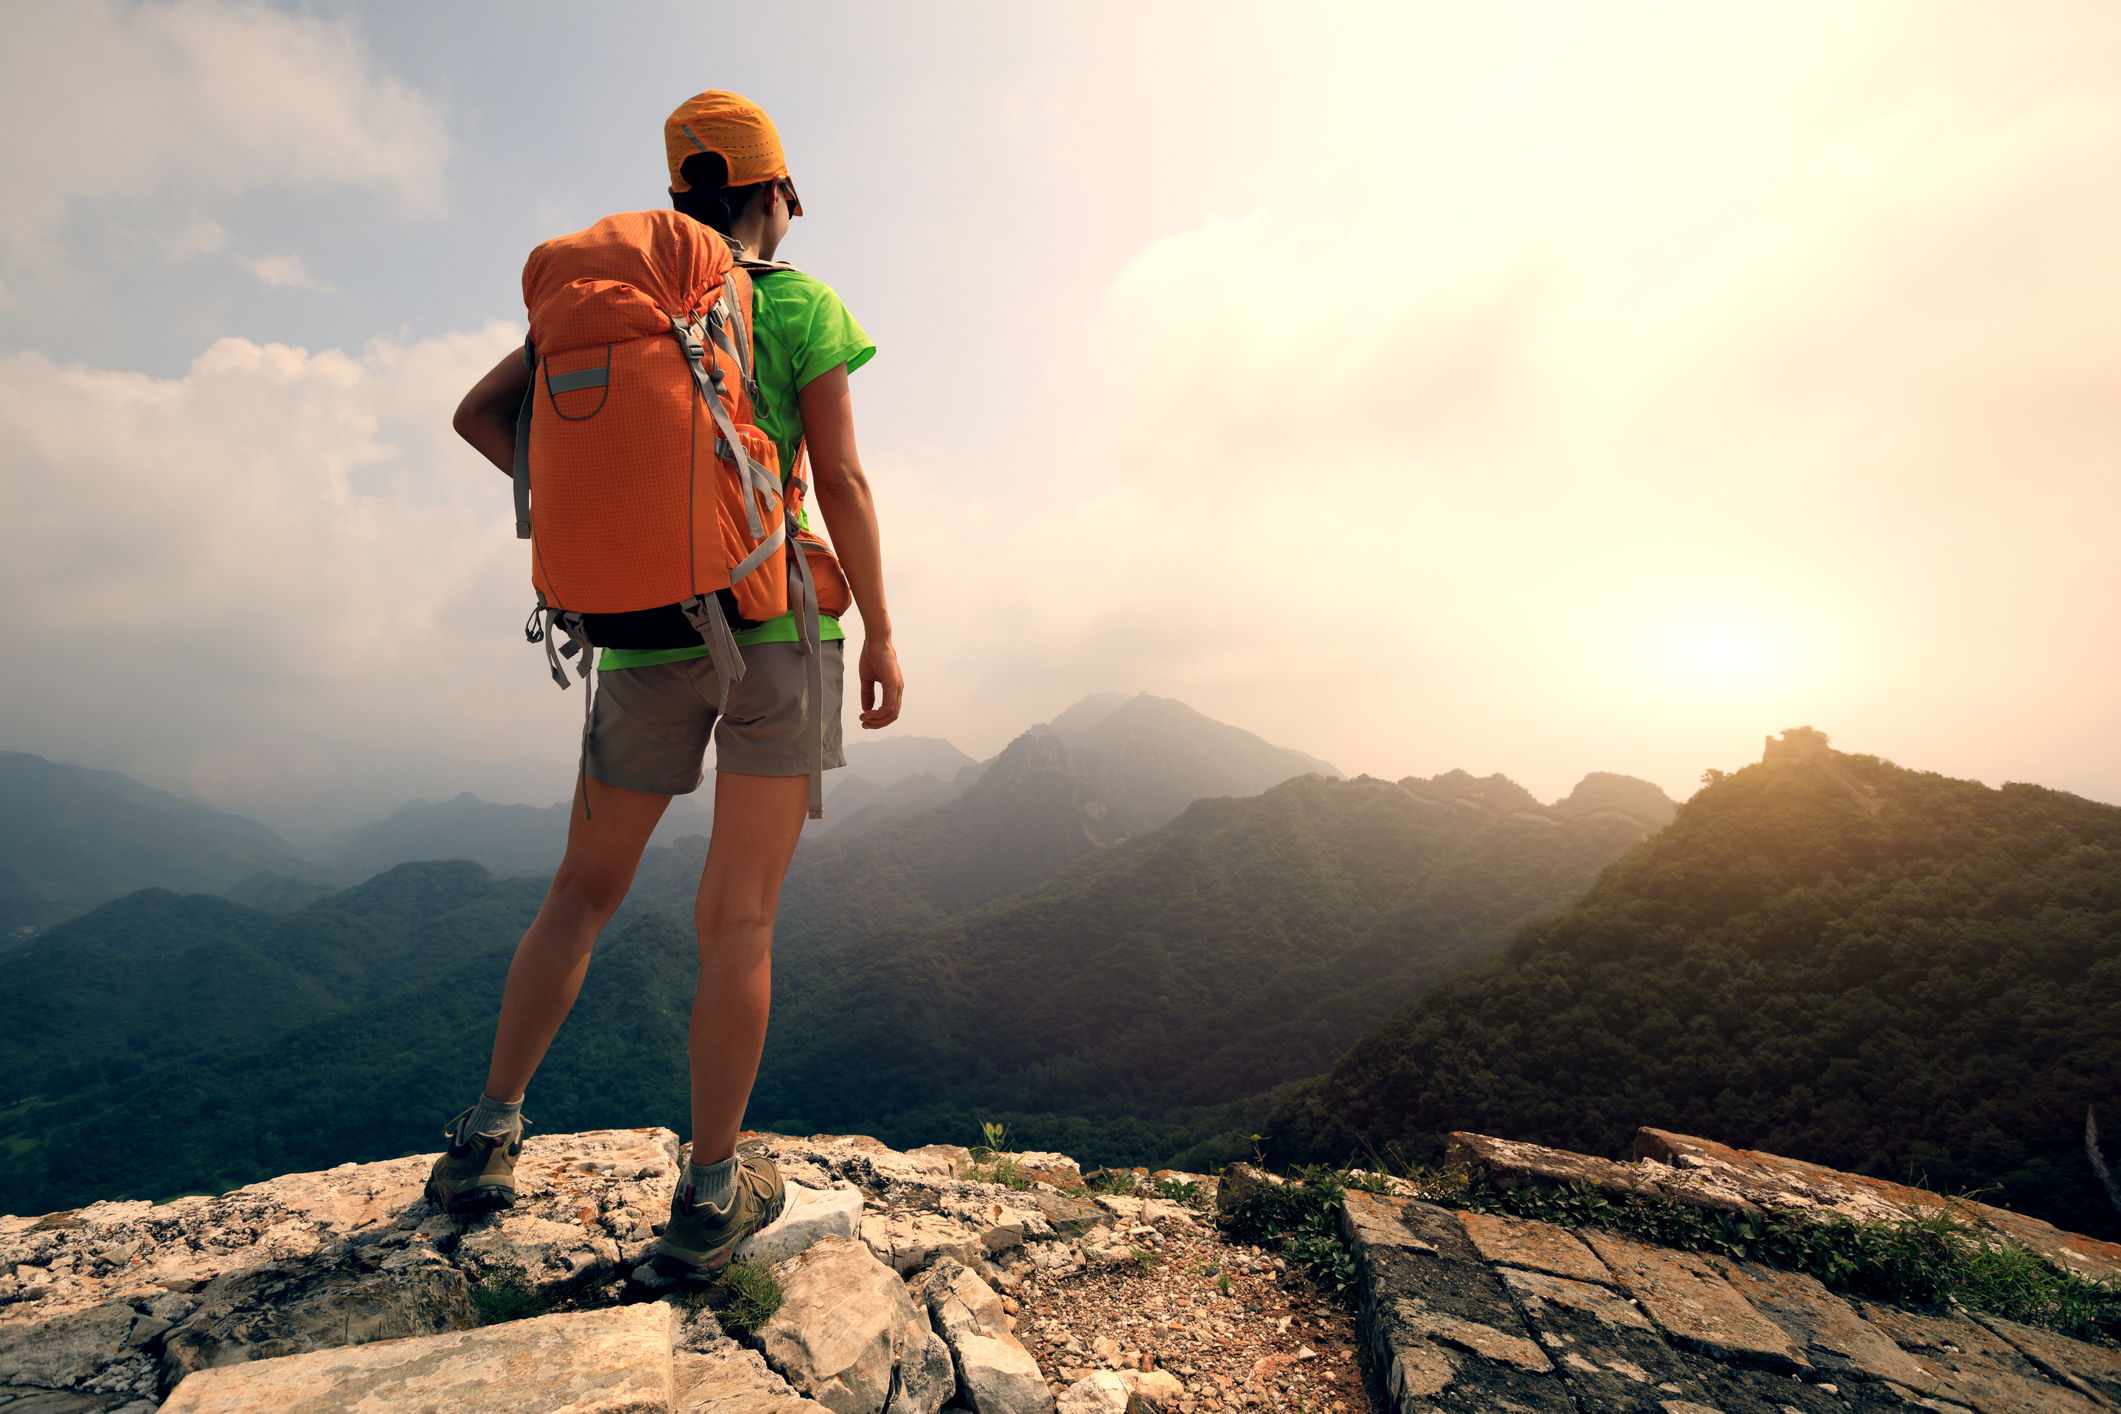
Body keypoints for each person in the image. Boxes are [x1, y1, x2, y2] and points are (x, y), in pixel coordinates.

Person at [433, 90, 902, 1278]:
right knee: (735, 918)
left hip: (641, 638)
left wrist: (613, 510)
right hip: (776, 629)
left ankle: (485, 1139)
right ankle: (707, 1195)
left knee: (580, 893)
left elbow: (478, 414)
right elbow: (838, 477)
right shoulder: (798, 303)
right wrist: (887, 629)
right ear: (774, 193)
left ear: (682, 196)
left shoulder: (619, 302)